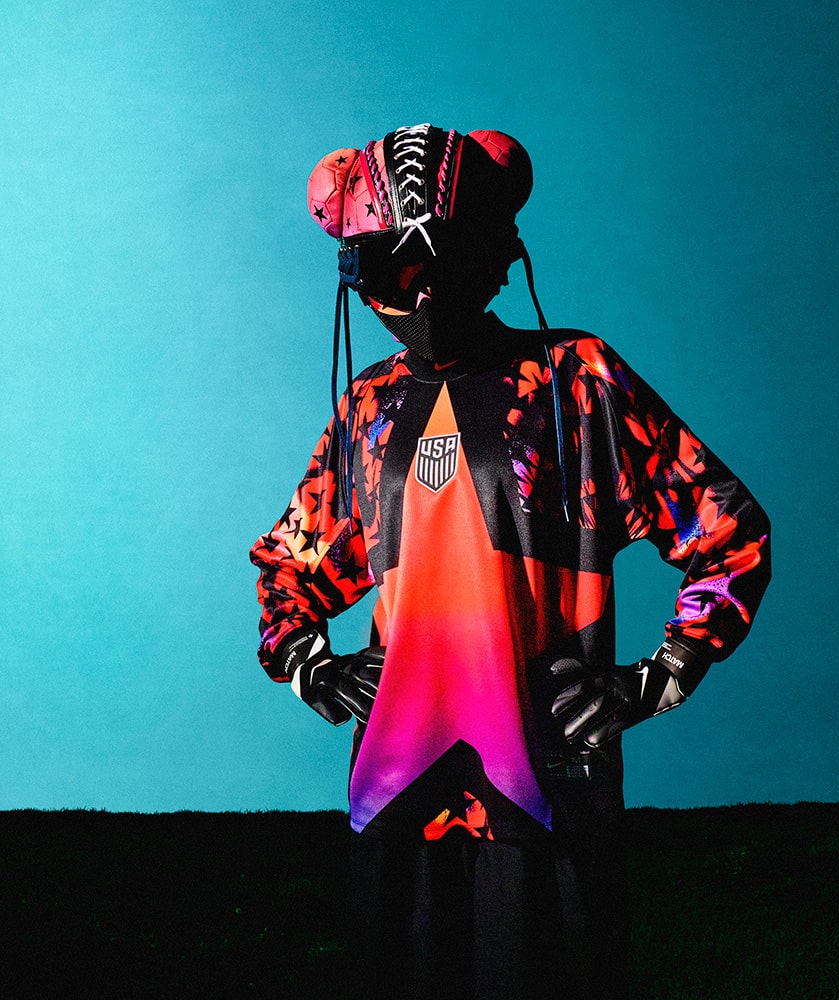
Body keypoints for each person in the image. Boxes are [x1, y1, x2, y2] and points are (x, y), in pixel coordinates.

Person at [250, 123, 771, 1000]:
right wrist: (310, 666)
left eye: (447, 261)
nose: (425, 293)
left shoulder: (578, 379)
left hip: (549, 782)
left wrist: (656, 681)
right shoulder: (369, 406)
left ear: (497, 256)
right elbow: (294, 561)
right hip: (398, 785)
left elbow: (728, 530)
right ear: (358, 272)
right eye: (396, 268)